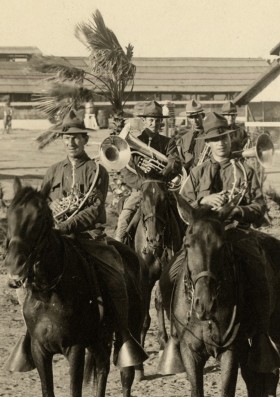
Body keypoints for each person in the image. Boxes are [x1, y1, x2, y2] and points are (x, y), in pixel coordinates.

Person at [173, 112, 280, 373]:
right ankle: (176, 335)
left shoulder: (246, 170)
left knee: (258, 270)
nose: (221, 143)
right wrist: (204, 202)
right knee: (171, 272)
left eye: (224, 137)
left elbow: (259, 206)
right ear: (207, 142)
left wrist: (236, 211)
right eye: (215, 139)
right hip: (202, 237)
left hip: (236, 233)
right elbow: (182, 206)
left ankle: (262, 335)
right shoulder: (197, 174)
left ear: (231, 137)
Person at [39, 110, 145, 367]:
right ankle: (30, 335)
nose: (71, 142)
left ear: (85, 140)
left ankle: (123, 335)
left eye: (76, 137)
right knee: (27, 279)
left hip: (88, 238)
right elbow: (41, 202)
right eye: (66, 138)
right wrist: (48, 214)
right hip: (56, 239)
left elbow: (94, 209)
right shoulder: (53, 171)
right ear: (62, 140)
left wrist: (66, 224)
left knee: (116, 277)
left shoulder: (97, 171)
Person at [115, 100, 181, 242]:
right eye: (151, 120)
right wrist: (145, 183)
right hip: (140, 191)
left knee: (182, 218)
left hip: (163, 190)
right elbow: (126, 172)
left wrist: (160, 176)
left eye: (157, 120)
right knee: (123, 220)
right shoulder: (133, 143)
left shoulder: (168, 142)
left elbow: (176, 164)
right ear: (144, 120)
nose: (154, 123)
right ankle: (119, 248)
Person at [177, 99, 206, 172]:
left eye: (197, 116)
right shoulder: (184, 139)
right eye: (191, 118)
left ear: (202, 116)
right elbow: (181, 161)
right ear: (188, 119)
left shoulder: (210, 136)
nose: (195, 120)